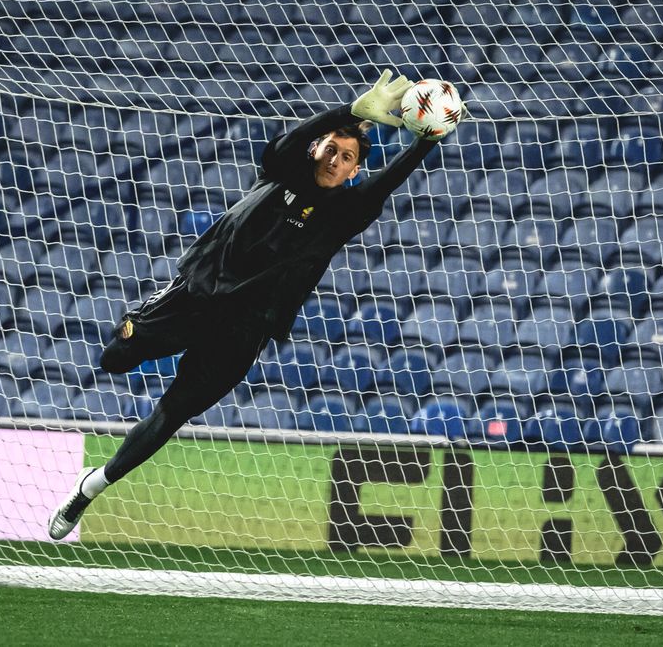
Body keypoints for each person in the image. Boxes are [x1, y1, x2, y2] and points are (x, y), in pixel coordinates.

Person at [48, 69, 457, 539]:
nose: (335, 159)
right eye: (329, 149)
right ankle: (135, 329)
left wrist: (428, 138)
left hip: (245, 328)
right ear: (315, 150)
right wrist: (347, 113)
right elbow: (286, 147)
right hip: (193, 296)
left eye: (347, 157)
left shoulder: (346, 213)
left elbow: (390, 180)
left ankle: (90, 488)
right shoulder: (282, 171)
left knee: (173, 413)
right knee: (115, 359)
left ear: (354, 170)